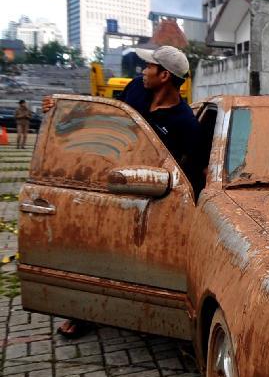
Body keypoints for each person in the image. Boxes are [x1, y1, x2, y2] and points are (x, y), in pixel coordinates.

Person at [45, 45, 201, 339]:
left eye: (149, 67)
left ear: (164, 75)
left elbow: (191, 172)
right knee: (95, 248)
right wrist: (60, 111)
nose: (143, 71)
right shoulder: (135, 91)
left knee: (140, 259)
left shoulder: (186, 124)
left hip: (152, 195)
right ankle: (83, 313)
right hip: (114, 182)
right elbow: (103, 116)